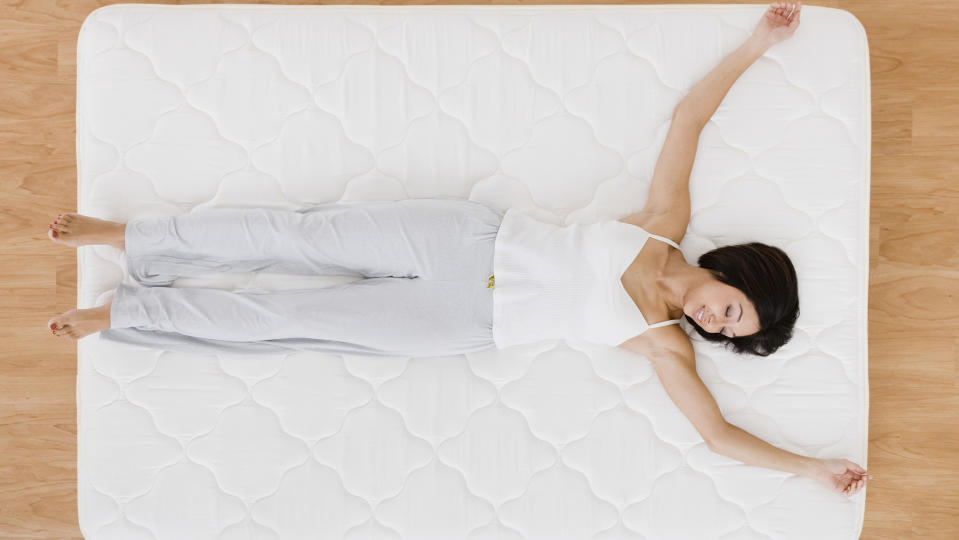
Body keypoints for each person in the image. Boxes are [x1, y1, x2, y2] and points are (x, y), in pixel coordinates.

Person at [46, 2, 871, 496]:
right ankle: (127, 236)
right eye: (730, 309)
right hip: (467, 235)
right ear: (730, 273)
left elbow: (717, 437)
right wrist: (759, 43)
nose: (713, 322)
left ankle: (122, 310)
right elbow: (689, 120)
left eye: (726, 333)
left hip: (454, 317)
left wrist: (810, 469)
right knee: (292, 234)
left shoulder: (659, 347)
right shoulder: (663, 221)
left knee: (278, 317)